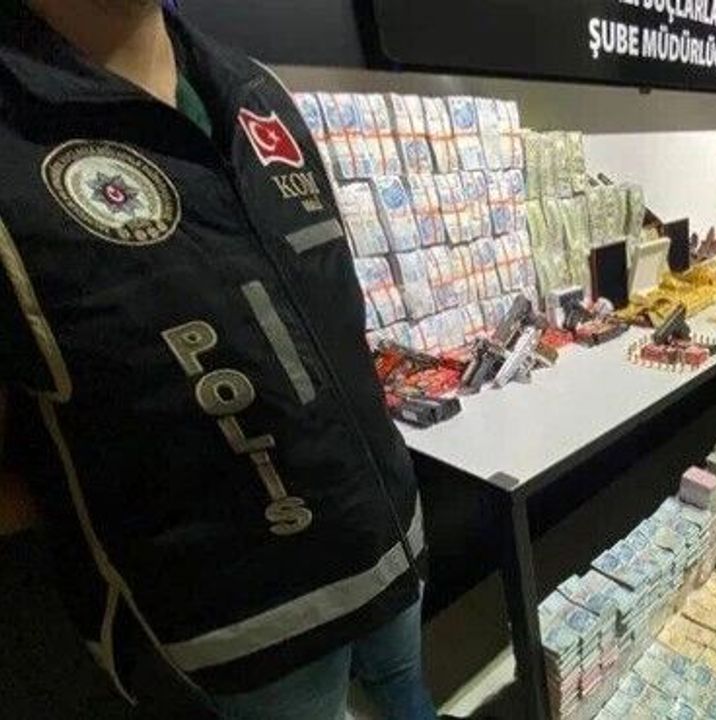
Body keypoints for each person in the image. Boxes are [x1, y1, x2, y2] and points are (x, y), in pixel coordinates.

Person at [0, 1, 438, 718]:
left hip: (386, 543)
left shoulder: (253, 89)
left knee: (410, 699)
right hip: (250, 634)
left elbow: (330, 317)